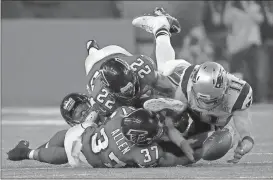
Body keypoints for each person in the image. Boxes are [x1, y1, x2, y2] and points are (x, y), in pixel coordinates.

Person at [133, 9, 254, 164]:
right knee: (164, 69)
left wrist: (245, 143)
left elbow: (244, 128)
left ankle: (162, 26)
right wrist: (173, 110)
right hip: (185, 78)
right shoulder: (189, 81)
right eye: (200, 97)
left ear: (224, 92)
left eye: (209, 100)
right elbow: (174, 116)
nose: (203, 103)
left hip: (211, 123)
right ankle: (160, 26)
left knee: (197, 154)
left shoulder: (238, 94)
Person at [7, 97, 199, 168]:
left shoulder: (120, 115)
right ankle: (28, 153)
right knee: (65, 153)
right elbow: (171, 161)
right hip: (89, 155)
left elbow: (133, 115)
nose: (159, 123)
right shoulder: (140, 153)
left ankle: (31, 150)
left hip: (88, 134)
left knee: (64, 137)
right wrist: (191, 158)